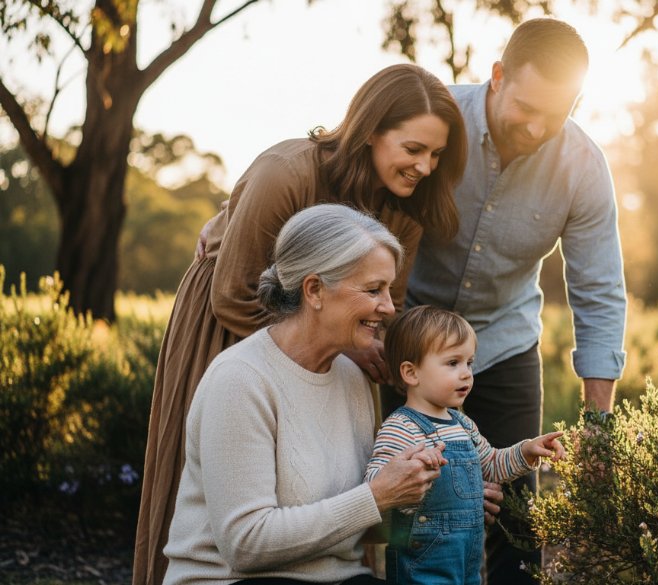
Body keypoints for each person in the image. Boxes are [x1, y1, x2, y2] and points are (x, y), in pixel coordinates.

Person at [135, 63, 468, 585]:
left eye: (437, 155)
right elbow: (234, 293)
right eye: (413, 149)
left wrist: (452, 495)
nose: (426, 166)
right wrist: (330, 352)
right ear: (371, 132)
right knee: (229, 486)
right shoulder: (286, 172)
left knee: (322, 481)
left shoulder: (404, 207)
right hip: (237, 320)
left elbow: (384, 311)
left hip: (332, 341)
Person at [381, 18, 628, 584]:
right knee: (402, 511)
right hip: (402, 344)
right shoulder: (437, 121)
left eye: (557, 112)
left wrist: (599, 423)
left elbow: (599, 289)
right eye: (527, 107)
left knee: (515, 524)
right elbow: (348, 164)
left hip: (502, 348)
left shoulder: (584, 169)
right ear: (497, 77)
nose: (539, 128)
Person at [162, 204, 447, 585]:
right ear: (314, 290)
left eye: (389, 290)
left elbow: (358, 526)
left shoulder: (352, 378)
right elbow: (245, 545)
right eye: (374, 289)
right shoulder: (240, 380)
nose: (389, 307)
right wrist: (376, 496)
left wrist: (442, 502)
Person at [365, 306, 565, 584]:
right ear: (411, 373)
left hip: (467, 567)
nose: (466, 374)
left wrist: (526, 451)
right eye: (452, 363)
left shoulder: (462, 425)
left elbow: (492, 465)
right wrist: (411, 475)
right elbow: (376, 486)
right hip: (421, 569)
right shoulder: (401, 427)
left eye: (469, 363)